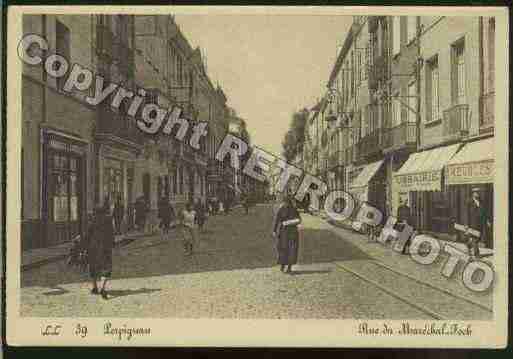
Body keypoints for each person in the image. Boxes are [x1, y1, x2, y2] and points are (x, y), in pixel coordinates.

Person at [85, 199, 115, 299]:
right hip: (105, 247)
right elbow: (111, 233)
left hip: (93, 248)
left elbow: (88, 234)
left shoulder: (93, 220)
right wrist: (112, 243)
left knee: (93, 267)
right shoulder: (108, 220)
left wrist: (85, 245)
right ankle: (102, 288)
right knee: (106, 268)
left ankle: (95, 288)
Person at [272, 194, 302, 273]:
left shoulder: (284, 209)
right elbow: (277, 220)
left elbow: (298, 220)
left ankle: (287, 267)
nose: (285, 204)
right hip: (289, 232)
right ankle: (284, 266)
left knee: (286, 249)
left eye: (286, 202)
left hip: (287, 232)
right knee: (285, 249)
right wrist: (274, 230)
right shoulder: (290, 209)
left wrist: (275, 230)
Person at [465, 187, 492, 259]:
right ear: (473, 194)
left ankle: (469, 245)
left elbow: (484, 212)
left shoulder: (481, 201)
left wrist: (487, 221)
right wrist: (466, 224)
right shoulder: (469, 202)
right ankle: (476, 254)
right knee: (475, 238)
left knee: (478, 237)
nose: (477, 194)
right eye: (476, 192)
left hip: (480, 223)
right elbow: (466, 213)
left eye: (478, 192)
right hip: (472, 223)